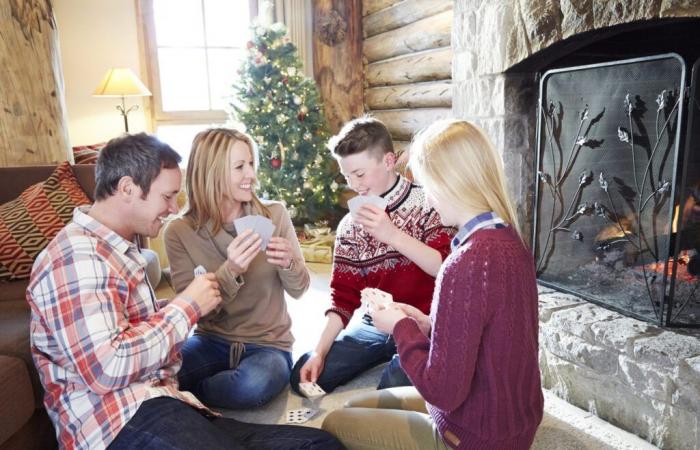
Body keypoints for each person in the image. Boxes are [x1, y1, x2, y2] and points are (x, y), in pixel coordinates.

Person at [26, 133, 344, 450]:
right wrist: (191, 302)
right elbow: (107, 369)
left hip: (165, 395)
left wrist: (288, 263)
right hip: (119, 419)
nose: (172, 207)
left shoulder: (117, 253)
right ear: (126, 188)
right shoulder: (79, 258)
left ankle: (192, 394)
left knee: (319, 443)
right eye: (166, 196)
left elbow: (121, 332)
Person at [321, 120, 544, 450]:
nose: (427, 196)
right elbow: (487, 336)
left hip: (473, 436)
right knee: (357, 405)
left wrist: (400, 326)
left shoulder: (464, 263)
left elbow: (442, 390)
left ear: (448, 183)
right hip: (511, 421)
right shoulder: (510, 241)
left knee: (333, 422)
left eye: (427, 183)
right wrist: (425, 324)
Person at [290, 117, 454, 394]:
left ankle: (402, 358)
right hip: (376, 322)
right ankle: (388, 353)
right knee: (303, 374)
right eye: (347, 176)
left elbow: (445, 268)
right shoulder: (349, 225)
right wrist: (319, 351)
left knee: (392, 388)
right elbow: (343, 297)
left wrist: (391, 234)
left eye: (360, 174)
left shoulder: (429, 204)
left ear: (389, 161)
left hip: (425, 322)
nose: (354, 185)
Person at [164, 128, 310, 410]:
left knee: (250, 386)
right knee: (162, 369)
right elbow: (192, 310)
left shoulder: (274, 214)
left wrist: (290, 263)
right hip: (211, 340)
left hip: (268, 344)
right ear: (212, 172)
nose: (252, 176)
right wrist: (230, 270)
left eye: (252, 164)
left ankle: (189, 395)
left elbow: (300, 289)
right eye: (240, 167)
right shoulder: (179, 232)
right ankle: (184, 389)